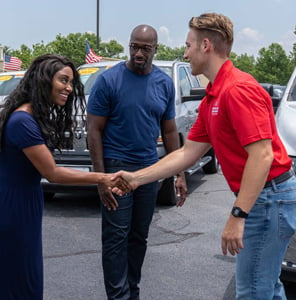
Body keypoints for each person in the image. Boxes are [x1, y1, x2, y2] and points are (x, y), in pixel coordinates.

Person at [113, 13, 296, 300]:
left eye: (188, 45)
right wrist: (136, 179)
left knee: (253, 291)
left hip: (270, 200)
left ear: (205, 46)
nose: (185, 52)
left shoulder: (237, 89)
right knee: (267, 288)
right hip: (266, 199)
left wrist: (238, 215)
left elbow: (262, 156)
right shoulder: (214, 95)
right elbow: (188, 152)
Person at [0, 54, 129, 300]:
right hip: (6, 207)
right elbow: (52, 173)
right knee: (10, 280)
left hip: (21, 201)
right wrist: (103, 178)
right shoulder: (22, 121)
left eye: (71, 82)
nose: (69, 88)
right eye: (63, 80)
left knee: (23, 277)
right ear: (45, 80)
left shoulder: (33, 115)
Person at [87, 25, 187, 299]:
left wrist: (179, 173)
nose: (138, 52)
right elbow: (93, 130)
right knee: (116, 238)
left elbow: (168, 131)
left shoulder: (164, 83)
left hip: (149, 170)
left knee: (138, 237)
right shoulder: (110, 80)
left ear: (156, 49)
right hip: (116, 167)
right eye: (134, 46)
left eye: (145, 48)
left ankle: (132, 291)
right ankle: (118, 296)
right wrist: (100, 179)